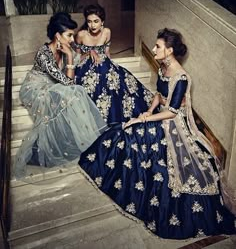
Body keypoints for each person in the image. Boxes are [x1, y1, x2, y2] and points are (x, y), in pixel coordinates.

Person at [79, 28, 236, 239]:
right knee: (120, 131)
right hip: (157, 116)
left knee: (139, 141)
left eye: (158, 46)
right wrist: (149, 110)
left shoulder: (181, 77)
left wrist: (143, 118)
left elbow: (172, 113)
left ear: (169, 50)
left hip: (173, 126)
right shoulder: (163, 67)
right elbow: (159, 94)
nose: (153, 49)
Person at [14, 12, 107, 179]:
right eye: (69, 35)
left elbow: (79, 60)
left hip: (54, 86)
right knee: (73, 92)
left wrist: (89, 53)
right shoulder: (43, 54)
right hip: (36, 87)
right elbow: (68, 83)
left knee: (74, 92)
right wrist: (70, 56)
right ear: (57, 35)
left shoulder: (65, 48)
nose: (72, 39)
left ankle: (87, 140)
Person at [74, 4, 154, 123]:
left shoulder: (106, 32)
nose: (92, 25)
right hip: (86, 67)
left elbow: (106, 52)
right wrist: (89, 52)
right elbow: (76, 57)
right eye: (89, 21)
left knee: (113, 77)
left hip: (103, 65)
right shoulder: (81, 35)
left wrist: (112, 69)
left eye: (96, 21)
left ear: (102, 22)